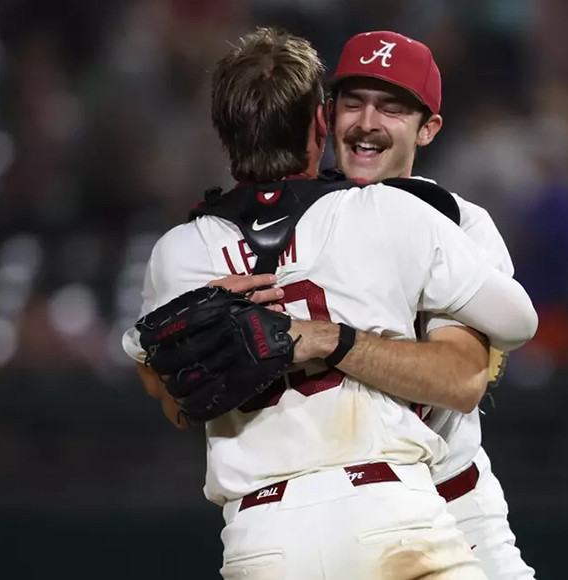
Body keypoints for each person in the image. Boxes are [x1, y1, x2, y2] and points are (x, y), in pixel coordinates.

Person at [123, 27, 538, 579]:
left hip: (449, 499)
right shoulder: (387, 217)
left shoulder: (454, 220)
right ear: (325, 116)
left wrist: (319, 337)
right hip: (389, 505)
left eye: (391, 108)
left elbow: (463, 380)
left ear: (428, 127)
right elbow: (518, 322)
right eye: (353, 102)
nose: (367, 122)